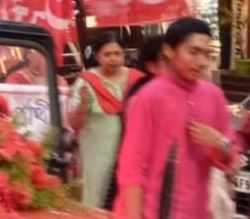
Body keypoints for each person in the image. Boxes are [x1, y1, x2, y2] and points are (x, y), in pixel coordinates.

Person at [115, 18, 237, 219]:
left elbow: (232, 158)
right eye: (193, 52)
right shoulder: (147, 98)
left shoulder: (213, 95)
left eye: (206, 54)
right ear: (169, 51)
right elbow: (132, 170)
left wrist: (219, 142)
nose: (202, 62)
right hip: (153, 212)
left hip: (198, 211)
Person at [69, 32, 144, 207]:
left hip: (131, 155)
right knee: (95, 201)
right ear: (96, 56)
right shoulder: (86, 82)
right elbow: (74, 124)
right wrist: (83, 104)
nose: (113, 59)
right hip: (95, 158)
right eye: (107, 54)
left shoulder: (138, 80)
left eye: (117, 54)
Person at [104, 36, 166, 210]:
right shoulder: (141, 97)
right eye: (165, 59)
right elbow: (136, 157)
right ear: (151, 65)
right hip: (143, 186)